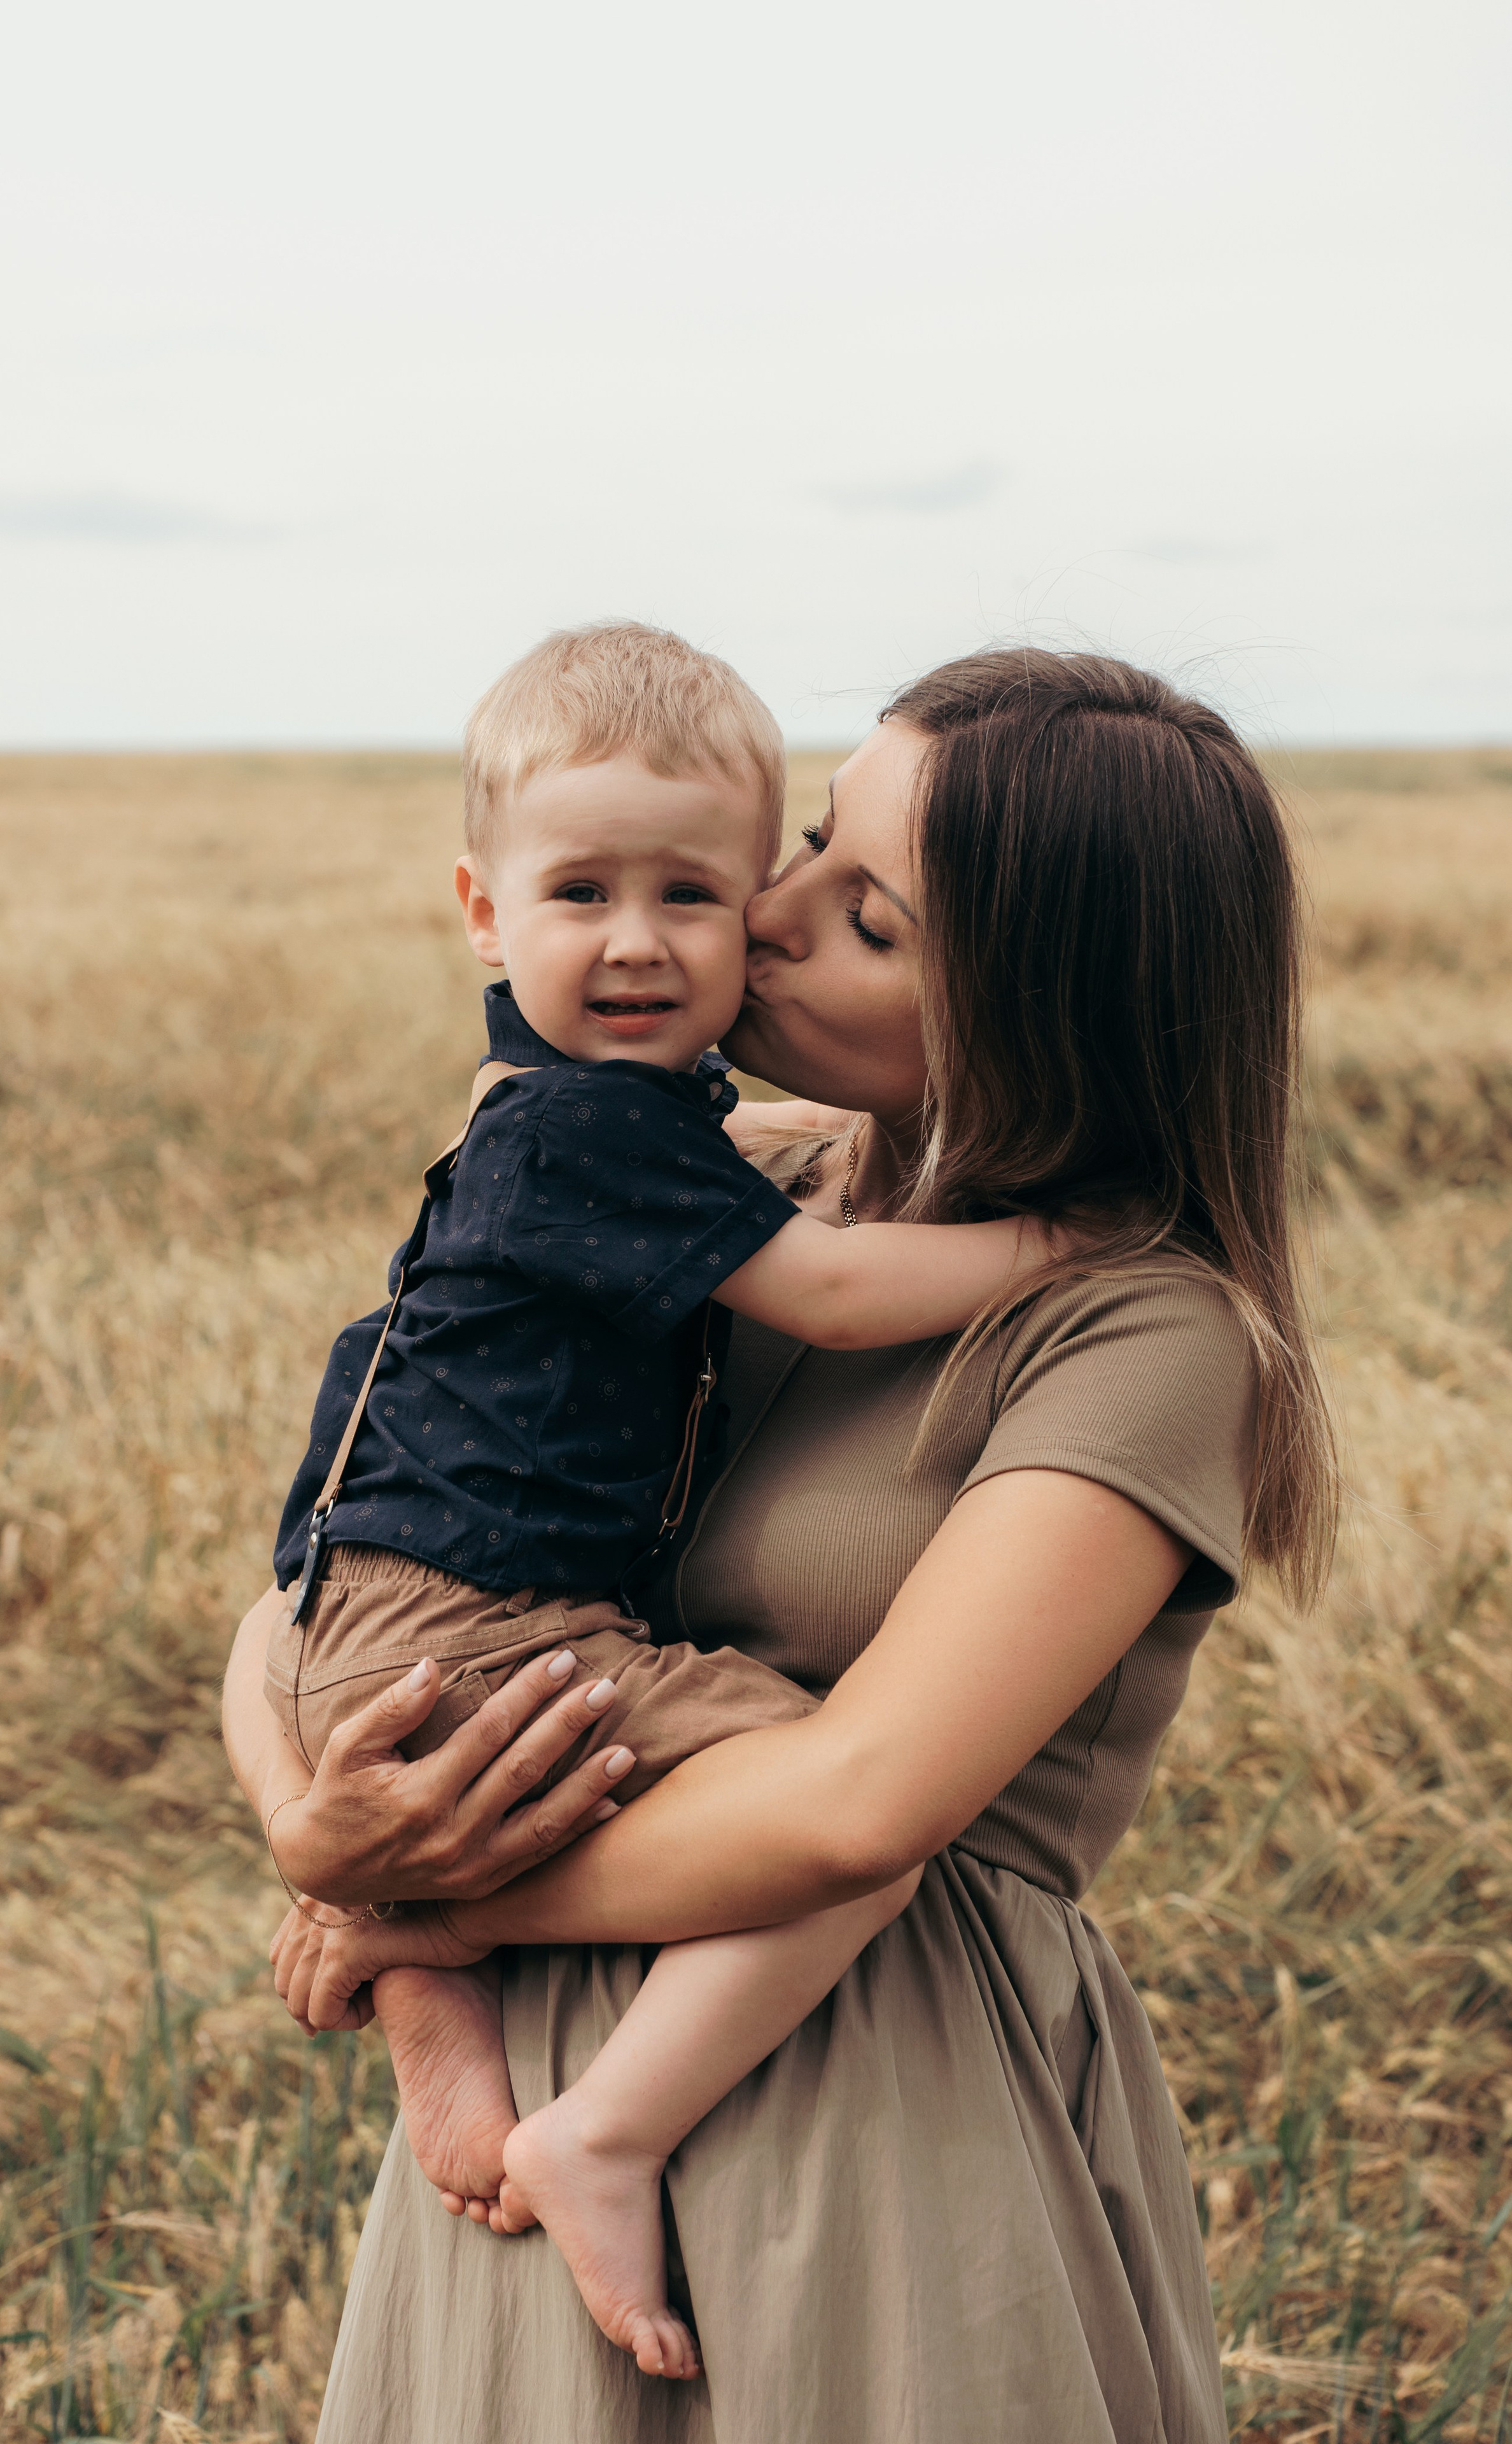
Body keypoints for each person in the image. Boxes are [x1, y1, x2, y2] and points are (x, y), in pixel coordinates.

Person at [223, 647, 1337, 2444]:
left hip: (881, 2110)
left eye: (869, 916)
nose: (767, 909)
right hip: (527, 2112)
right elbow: (344, 1563)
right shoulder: (728, 1180)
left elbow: (857, 1811)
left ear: (1043, 1008)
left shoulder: (1145, 1335)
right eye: (811, 841)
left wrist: (414, 1897)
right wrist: (305, 1815)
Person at [260, 623, 1053, 2378]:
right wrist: (1064, 1245)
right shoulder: (596, 1133)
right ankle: (604, 2125)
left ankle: (435, 2013)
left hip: (375, 1613)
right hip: (475, 1630)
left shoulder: (608, 1119)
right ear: (482, 908)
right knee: (806, 1755)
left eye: (696, 894)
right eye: (583, 894)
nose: (642, 941)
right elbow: (833, 1295)